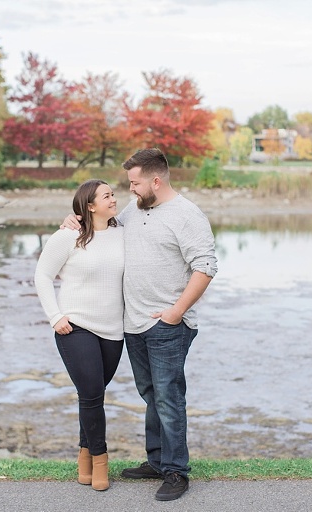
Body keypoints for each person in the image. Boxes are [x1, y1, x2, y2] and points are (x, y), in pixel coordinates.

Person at [63, 148, 218, 501]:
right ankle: (158, 461)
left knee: (168, 396)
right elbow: (100, 228)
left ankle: (176, 472)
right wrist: (73, 221)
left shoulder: (187, 216)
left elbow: (206, 266)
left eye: (134, 183)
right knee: (151, 395)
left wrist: (176, 312)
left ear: (156, 180)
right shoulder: (134, 211)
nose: (129, 189)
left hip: (167, 324)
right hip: (132, 323)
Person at [34, 179, 125, 492]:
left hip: (114, 330)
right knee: (91, 394)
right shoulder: (68, 235)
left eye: (113, 194)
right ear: (89, 205)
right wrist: (55, 316)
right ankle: (100, 459)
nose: (114, 199)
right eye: (107, 196)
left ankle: (84, 455)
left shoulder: (123, 233)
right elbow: (42, 276)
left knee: (93, 395)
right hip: (76, 327)